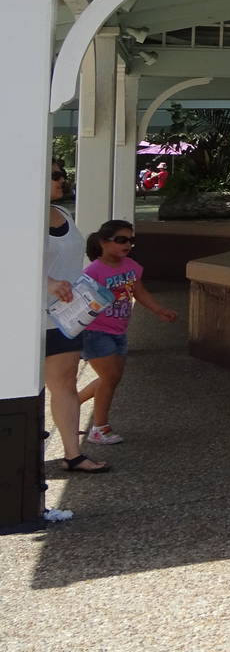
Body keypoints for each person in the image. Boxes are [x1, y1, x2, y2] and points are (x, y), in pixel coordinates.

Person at [42, 166, 109, 523]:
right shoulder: (16, 214)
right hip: (23, 319)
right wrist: (48, 282)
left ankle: (72, 453)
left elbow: (74, 262)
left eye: (62, 173)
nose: (61, 178)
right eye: (54, 173)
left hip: (64, 317)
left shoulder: (65, 214)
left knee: (65, 384)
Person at [77, 219, 179, 445]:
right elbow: (80, 301)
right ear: (104, 242)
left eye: (131, 240)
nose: (127, 244)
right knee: (109, 377)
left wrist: (159, 310)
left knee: (111, 378)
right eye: (121, 240)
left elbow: (139, 292)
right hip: (95, 332)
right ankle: (100, 428)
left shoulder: (131, 266)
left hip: (119, 330)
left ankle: (71, 406)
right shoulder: (93, 271)